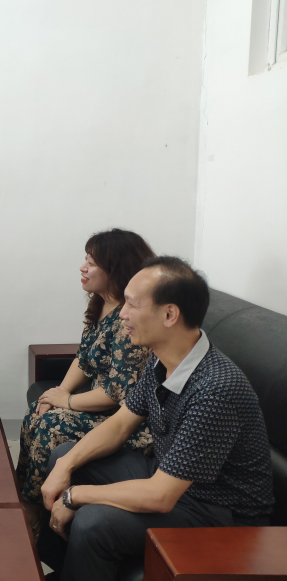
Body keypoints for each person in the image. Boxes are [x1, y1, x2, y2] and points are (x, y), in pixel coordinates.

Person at [38, 257, 274, 581]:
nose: (122, 313)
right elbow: (120, 425)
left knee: (93, 521)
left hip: (218, 512)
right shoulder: (161, 360)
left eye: (132, 304)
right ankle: (66, 570)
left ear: (169, 315)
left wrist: (74, 496)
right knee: (65, 456)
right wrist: (65, 467)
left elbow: (160, 496)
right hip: (171, 477)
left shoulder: (216, 389)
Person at [16, 229, 155, 534]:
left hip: (126, 418)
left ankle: (35, 513)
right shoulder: (100, 303)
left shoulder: (128, 322)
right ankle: (22, 497)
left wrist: (66, 401)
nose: (83, 268)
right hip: (100, 405)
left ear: (115, 269)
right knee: (35, 412)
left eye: (91, 263)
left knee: (51, 425)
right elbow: (83, 357)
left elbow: (116, 393)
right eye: (85, 260)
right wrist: (60, 390)